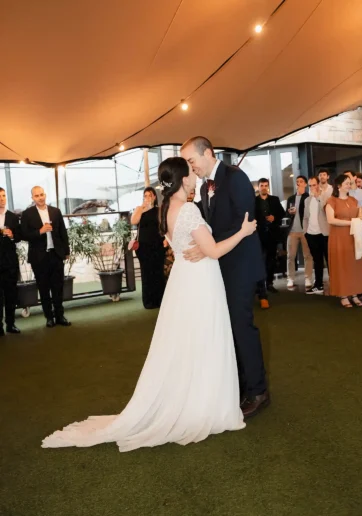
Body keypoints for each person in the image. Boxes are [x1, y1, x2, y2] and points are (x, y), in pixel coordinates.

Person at [42, 157, 256, 451]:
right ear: (183, 179)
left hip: (184, 279)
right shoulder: (188, 209)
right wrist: (243, 232)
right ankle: (204, 404)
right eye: (191, 172)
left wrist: (203, 248)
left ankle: (195, 399)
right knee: (204, 338)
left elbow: (191, 244)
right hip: (199, 281)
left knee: (189, 341)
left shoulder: (166, 209)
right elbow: (215, 251)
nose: (195, 176)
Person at [180, 136, 269, 419]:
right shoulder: (206, 185)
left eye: (192, 160)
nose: (191, 167)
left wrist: (208, 247)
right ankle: (240, 386)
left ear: (207, 153)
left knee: (243, 328)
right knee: (230, 329)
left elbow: (243, 222)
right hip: (222, 265)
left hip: (241, 266)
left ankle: (258, 391)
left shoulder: (235, 177)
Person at [21, 187, 71, 327]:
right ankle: (49, 317)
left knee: (58, 287)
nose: (40, 197)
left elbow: (63, 232)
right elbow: (24, 235)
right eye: (37, 196)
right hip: (39, 257)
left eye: (42, 194)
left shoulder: (55, 211)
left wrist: (66, 251)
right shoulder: (27, 214)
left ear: (45, 195)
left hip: (56, 255)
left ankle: (60, 316)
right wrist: (40, 231)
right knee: (43, 289)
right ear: (33, 198)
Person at [325, 175, 362, 307]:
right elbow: (331, 220)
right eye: (347, 183)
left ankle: (354, 294)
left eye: (350, 183)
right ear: (339, 186)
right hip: (339, 237)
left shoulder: (354, 200)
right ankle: (343, 295)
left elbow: (360, 214)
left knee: (354, 265)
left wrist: (359, 219)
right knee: (342, 265)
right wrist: (351, 223)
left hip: (354, 237)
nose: (349, 186)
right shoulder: (331, 201)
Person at [131, 187, 165, 309]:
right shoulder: (139, 209)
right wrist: (142, 208)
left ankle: (160, 300)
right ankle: (148, 301)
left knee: (158, 272)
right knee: (146, 273)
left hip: (158, 245)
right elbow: (134, 221)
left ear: (154, 197)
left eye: (150, 195)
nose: (147, 198)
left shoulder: (159, 210)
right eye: (145, 196)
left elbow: (163, 225)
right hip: (144, 246)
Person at [255, 178, 285, 296]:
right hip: (258, 235)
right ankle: (259, 286)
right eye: (262, 185)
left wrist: (274, 217)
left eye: (266, 185)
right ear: (258, 187)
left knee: (271, 260)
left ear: (268, 187)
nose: (264, 187)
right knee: (259, 261)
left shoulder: (274, 199)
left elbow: (282, 213)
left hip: (272, 234)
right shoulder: (254, 201)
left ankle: (270, 283)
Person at [0, 187, 22, 336]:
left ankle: (11, 324)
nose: (2, 199)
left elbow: (19, 237)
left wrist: (13, 235)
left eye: (3, 196)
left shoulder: (13, 217)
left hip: (10, 263)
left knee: (11, 294)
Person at [286, 176, 313, 290]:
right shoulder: (291, 198)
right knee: (290, 256)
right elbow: (286, 214)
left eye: (301, 182)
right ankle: (290, 278)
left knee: (307, 255)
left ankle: (308, 278)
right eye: (297, 182)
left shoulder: (308, 197)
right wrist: (289, 213)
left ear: (305, 184)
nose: (298, 183)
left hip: (305, 231)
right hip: (292, 231)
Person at [303, 176, 330, 295]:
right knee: (317, 260)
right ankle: (318, 284)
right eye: (310, 185)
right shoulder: (307, 200)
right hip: (311, 234)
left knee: (329, 260)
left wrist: (318, 197)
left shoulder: (326, 196)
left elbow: (325, 211)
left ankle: (335, 284)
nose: (312, 187)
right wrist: (305, 231)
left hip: (324, 233)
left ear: (318, 185)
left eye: (314, 185)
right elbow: (305, 217)